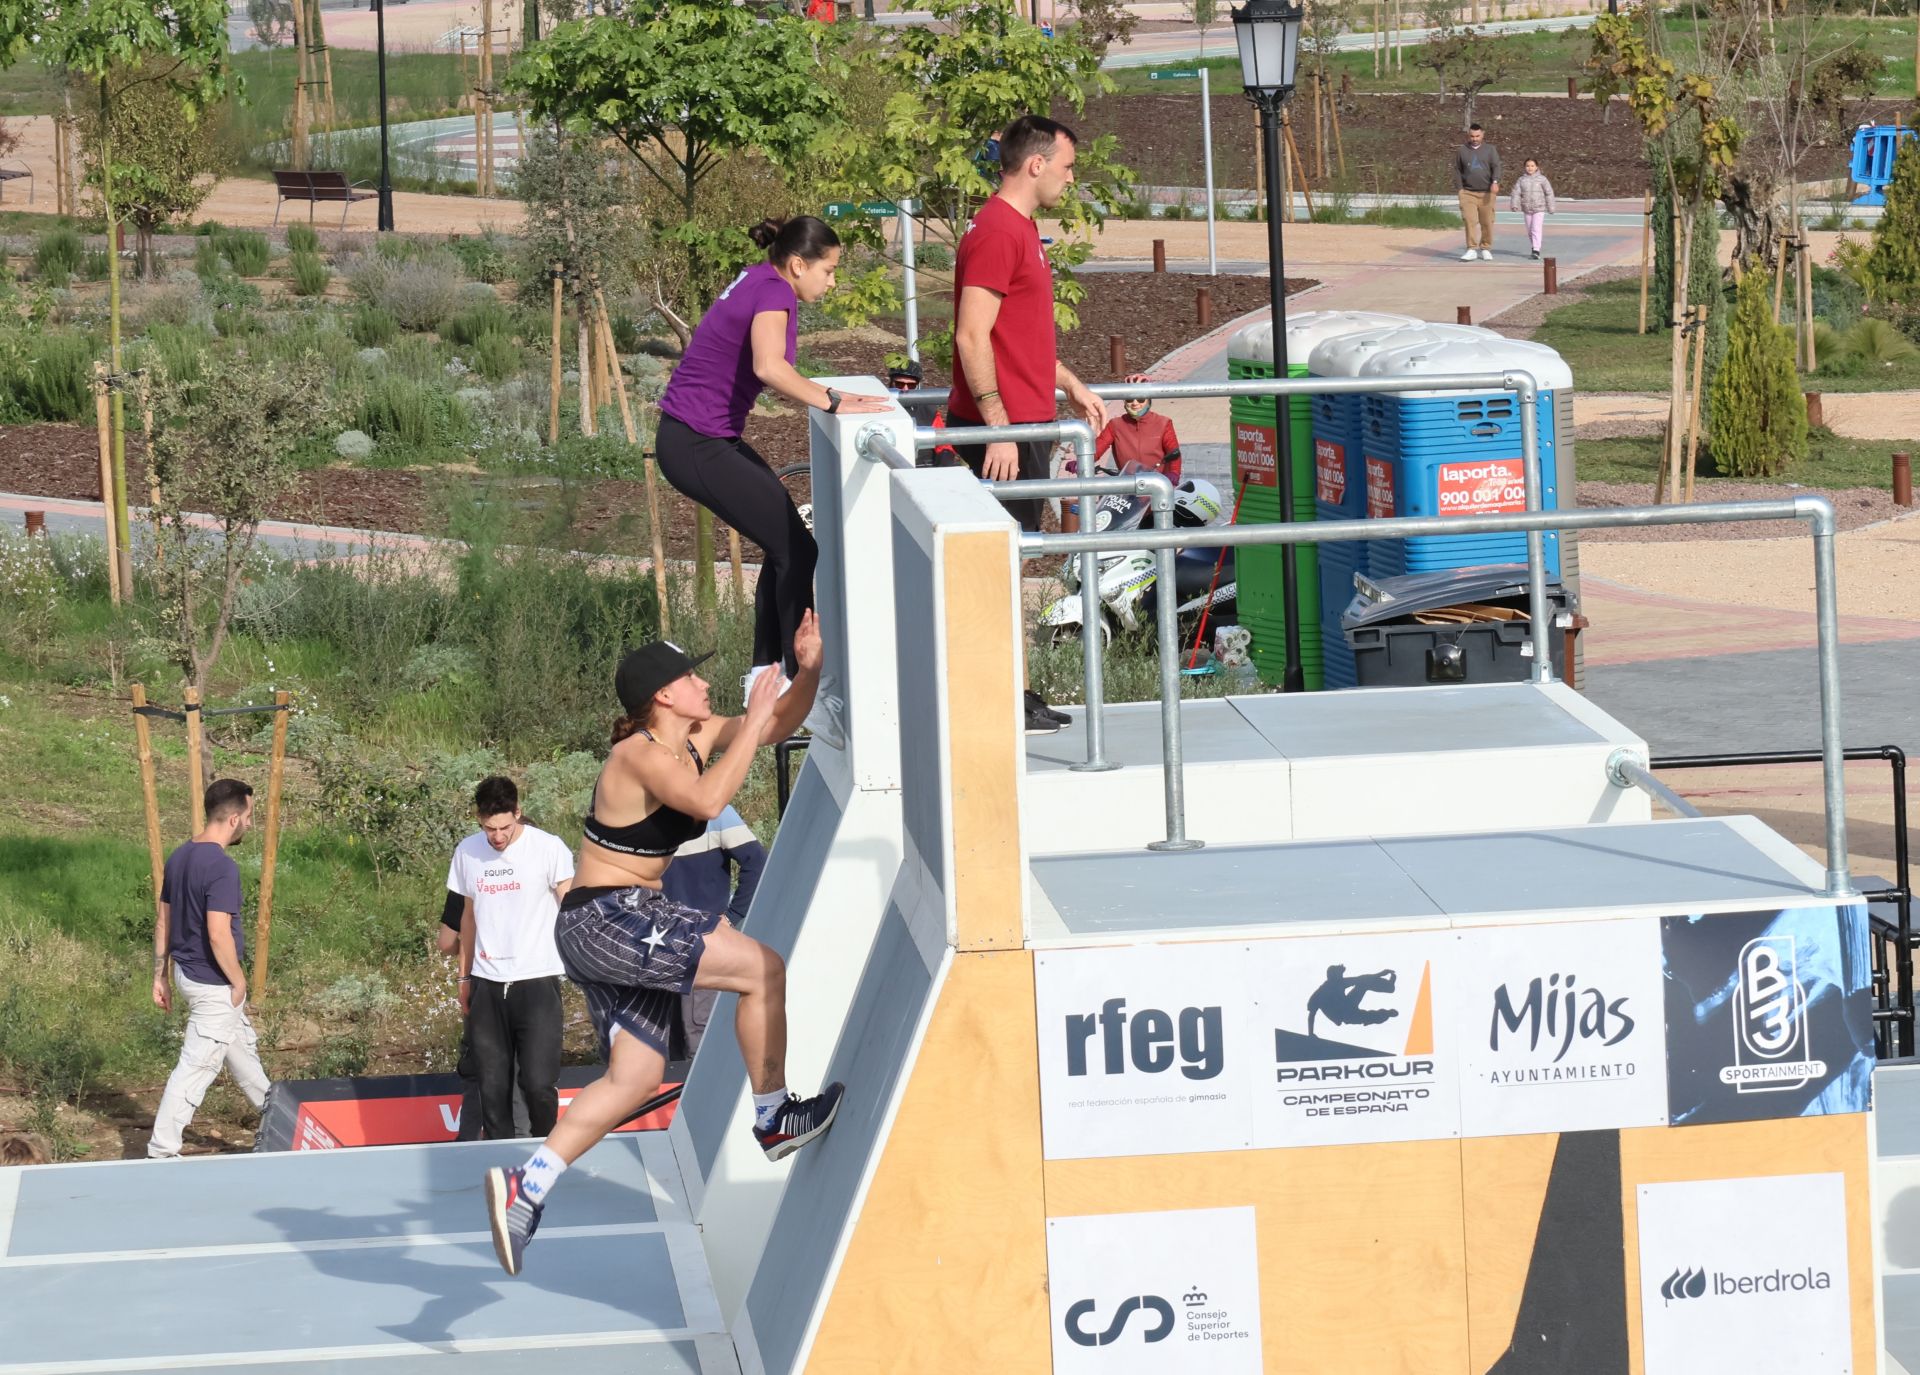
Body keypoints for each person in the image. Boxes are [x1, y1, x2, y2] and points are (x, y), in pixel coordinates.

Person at [484, 614, 844, 1278]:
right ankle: (772, 1118)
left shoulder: (696, 735)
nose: (705, 683)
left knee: (635, 1078)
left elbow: (779, 724)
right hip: (609, 918)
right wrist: (757, 706)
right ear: (663, 696)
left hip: (619, 919)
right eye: (691, 677)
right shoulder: (639, 754)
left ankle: (526, 1185)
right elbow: (708, 800)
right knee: (761, 967)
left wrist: (809, 670)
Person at [654, 214, 891, 741]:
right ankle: (789, 685)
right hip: (696, 442)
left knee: (787, 547)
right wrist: (833, 399)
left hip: (700, 438)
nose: (832, 282)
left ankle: (766, 678)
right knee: (797, 551)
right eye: (828, 271)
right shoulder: (774, 292)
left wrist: (830, 396)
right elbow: (768, 367)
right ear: (798, 264)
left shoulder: (763, 279)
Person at [947, 113, 1108, 734]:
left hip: (1026, 424)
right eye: (1067, 166)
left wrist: (1068, 382)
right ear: (1036, 163)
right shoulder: (996, 231)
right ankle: (993, 698)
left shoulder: (1021, 229)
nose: (1072, 178)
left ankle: (1014, 690)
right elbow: (970, 333)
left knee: (1010, 564)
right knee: (994, 566)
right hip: (1004, 436)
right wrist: (998, 426)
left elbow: (1019, 335)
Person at [148, 779, 272, 1159]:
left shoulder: (180, 855)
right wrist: (239, 981)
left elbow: (163, 922)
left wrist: (160, 975)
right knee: (195, 1068)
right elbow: (219, 935)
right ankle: (161, 1152)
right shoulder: (222, 868)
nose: (251, 824)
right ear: (233, 818)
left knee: (242, 1055)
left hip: (187, 974)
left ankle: (282, 1120)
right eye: (249, 816)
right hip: (213, 983)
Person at [449, 777, 575, 1142]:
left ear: (518, 813)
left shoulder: (548, 848)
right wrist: (464, 977)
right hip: (487, 982)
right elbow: (467, 918)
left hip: (537, 979)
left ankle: (548, 1149)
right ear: (479, 819)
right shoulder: (467, 852)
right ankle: (500, 1160)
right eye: (490, 829)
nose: (498, 837)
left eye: (505, 827)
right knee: (492, 1086)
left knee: (537, 1082)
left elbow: (571, 907)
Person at [660, 807, 767, 1058]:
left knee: (698, 1034)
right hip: (656, 942)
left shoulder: (715, 811)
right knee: (662, 1038)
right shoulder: (638, 811)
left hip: (701, 942)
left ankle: (700, 1095)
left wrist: (731, 917)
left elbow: (757, 862)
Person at [1062, 373, 1183, 534]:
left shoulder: (1163, 423)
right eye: (1129, 399)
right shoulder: (1116, 425)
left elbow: (1174, 453)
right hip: (1127, 489)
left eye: (1140, 399)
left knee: (1160, 533)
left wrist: (1173, 474)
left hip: (1155, 489)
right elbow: (1098, 448)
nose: (1135, 403)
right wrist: (1081, 461)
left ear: (1149, 400)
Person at [435, 888, 484, 1140]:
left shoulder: (466, 879)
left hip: (476, 984)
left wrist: (469, 945)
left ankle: (468, 1144)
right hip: (527, 984)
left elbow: (445, 943)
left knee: (476, 1072)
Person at [1453, 123, 1502, 262]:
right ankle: (1471, 249)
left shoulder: (1490, 150)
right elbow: (1457, 170)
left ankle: (1486, 248)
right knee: (1470, 220)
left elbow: (1496, 167)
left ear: (1483, 134)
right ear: (1468, 135)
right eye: (1472, 136)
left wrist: (1495, 182)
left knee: (1487, 222)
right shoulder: (1462, 150)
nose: (1475, 139)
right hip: (1468, 193)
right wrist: (1460, 189)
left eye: (1477, 136)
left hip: (1487, 193)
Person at [1510, 157, 1557, 260]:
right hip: (1527, 209)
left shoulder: (1542, 179)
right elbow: (1516, 193)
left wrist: (1551, 207)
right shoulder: (1521, 180)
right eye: (1527, 166)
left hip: (1539, 208)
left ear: (1537, 167)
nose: (1530, 168)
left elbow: (1549, 193)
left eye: (1532, 166)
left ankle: (1536, 250)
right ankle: (1534, 246)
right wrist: (1515, 204)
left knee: (1536, 229)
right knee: (1530, 231)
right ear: (1524, 167)